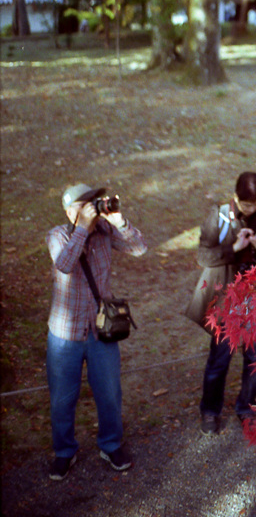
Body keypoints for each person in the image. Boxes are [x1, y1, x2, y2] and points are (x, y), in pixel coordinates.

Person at [46, 183, 147, 480]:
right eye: (84, 203)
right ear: (69, 211)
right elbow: (64, 263)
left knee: (109, 394)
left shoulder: (105, 232)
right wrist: (82, 229)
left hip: (102, 330)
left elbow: (140, 248)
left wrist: (118, 221)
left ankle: (111, 445)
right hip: (65, 334)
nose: (92, 207)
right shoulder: (57, 235)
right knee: (62, 398)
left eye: (94, 201)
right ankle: (64, 452)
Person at [185, 171, 256, 433]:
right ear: (236, 198)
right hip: (226, 299)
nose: (252, 208)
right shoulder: (218, 216)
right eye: (247, 204)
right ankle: (210, 410)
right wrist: (235, 248)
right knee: (220, 357)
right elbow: (204, 257)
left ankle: (246, 406)